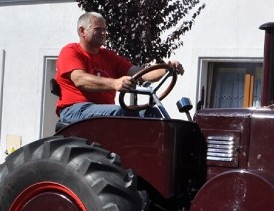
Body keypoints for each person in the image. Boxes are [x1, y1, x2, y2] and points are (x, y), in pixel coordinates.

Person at [55, 11, 183, 126]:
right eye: (98, 29)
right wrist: (115, 83)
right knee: (118, 112)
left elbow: (141, 74)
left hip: (104, 111)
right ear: (82, 31)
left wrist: (167, 68)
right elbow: (80, 79)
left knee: (153, 114)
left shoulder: (108, 56)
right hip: (75, 111)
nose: (103, 33)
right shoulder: (70, 51)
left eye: (105, 29)